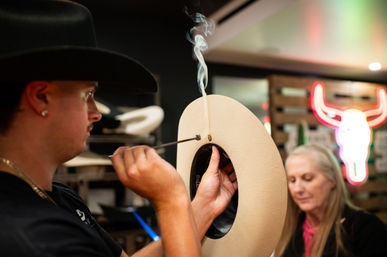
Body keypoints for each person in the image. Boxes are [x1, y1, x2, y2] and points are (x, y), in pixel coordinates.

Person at [0, 1, 237, 257]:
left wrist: (202, 207)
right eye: (87, 94)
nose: (97, 113)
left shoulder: (58, 196)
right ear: (41, 98)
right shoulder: (28, 234)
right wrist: (171, 201)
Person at [274, 144, 387, 257]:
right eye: (292, 180)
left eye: (307, 178)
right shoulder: (289, 231)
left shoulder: (364, 227)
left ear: (332, 179)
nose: (298, 189)